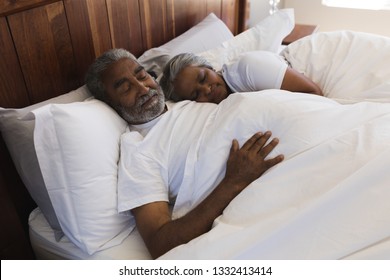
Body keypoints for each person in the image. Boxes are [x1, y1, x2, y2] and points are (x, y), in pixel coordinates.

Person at [85, 48, 284, 259]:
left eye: (142, 75)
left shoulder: (182, 99)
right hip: (264, 178)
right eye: (126, 88)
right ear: (110, 104)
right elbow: (159, 242)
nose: (143, 88)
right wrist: (233, 182)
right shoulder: (138, 150)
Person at [160, 51, 323, 104]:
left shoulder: (249, 68)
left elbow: (314, 93)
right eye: (196, 95)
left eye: (203, 78)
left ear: (209, 67)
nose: (207, 89)